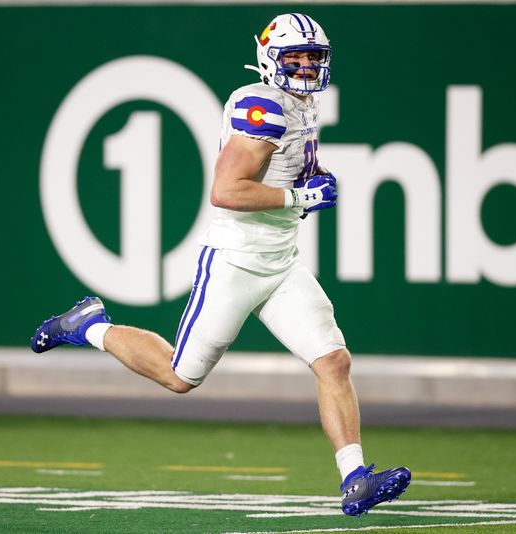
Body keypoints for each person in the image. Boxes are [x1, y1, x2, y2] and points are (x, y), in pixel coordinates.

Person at [30, 13, 411, 516]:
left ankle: (355, 478)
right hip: (234, 261)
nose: (304, 67)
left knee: (333, 360)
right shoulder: (262, 106)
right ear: (270, 58)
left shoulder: (302, 104)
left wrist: (308, 179)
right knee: (179, 376)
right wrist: (299, 194)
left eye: (312, 58)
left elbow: (282, 170)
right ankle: (90, 326)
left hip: (281, 262)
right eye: (293, 57)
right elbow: (226, 191)